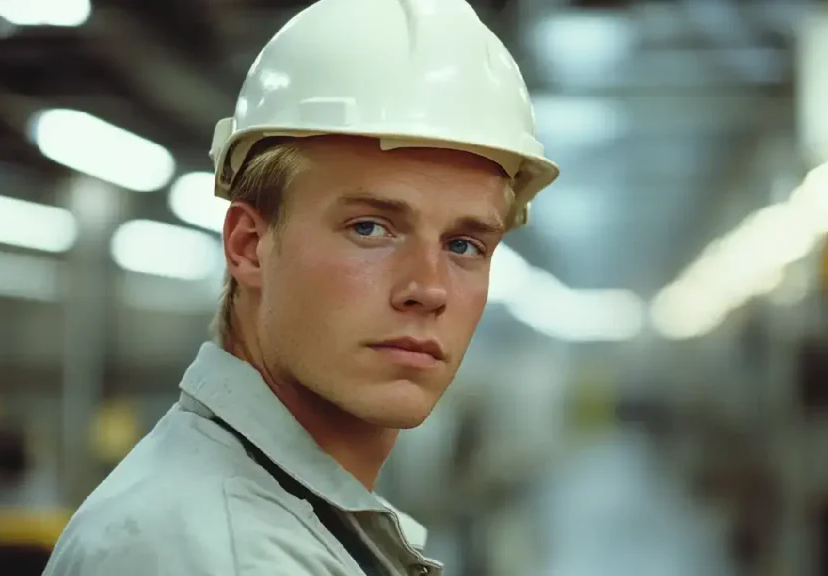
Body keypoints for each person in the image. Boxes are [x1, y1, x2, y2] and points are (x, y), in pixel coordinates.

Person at [41, 0, 558, 574]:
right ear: (249, 246)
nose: (428, 289)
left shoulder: (285, 525)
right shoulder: (221, 555)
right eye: (370, 228)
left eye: (464, 245)